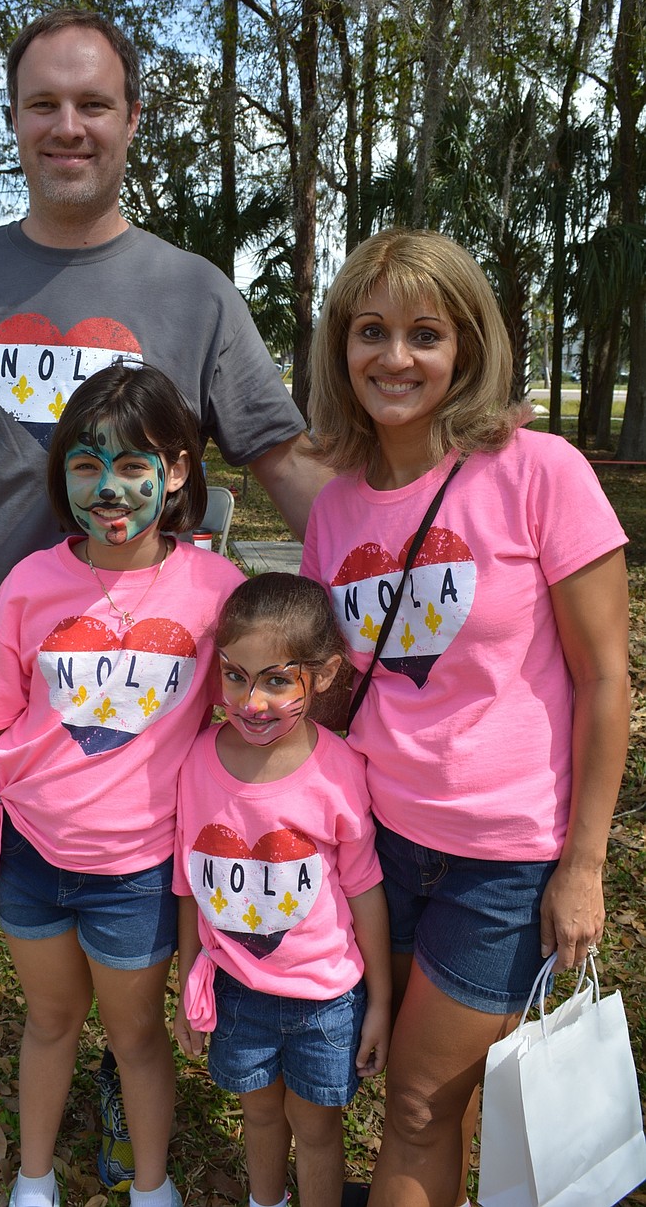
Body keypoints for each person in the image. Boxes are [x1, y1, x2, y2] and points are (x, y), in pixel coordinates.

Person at [0, 8, 330, 1207]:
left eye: (93, 103)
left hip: (159, 680)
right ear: (15, 122)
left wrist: (381, 546)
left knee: (137, 886)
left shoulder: (192, 293)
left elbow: (276, 450)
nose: (69, 126)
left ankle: (113, 1070)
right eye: (44, 104)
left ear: (132, 120)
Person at [300, 227, 630, 1207]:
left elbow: (607, 680)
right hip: (378, 842)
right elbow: (340, 688)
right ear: (338, 347)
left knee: (412, 1103)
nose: (394, 358)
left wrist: (581, 865)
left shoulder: (540, 471)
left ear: (467, 347)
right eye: (370, 331)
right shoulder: (335, 510)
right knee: (431, 1098)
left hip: (504, 857)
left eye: (423, 334)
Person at [0, 363, 244, 1207]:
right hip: (34, 860)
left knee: (136, 1034)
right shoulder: (30, 585)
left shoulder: (215, 592)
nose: (110, 489)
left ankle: (153, 1187)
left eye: (133, 465)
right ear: (64, 474)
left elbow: (254, 714)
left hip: (140, 874)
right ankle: (33, 1179)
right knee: (50, 1023)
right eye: (87, 465)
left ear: (178, 471)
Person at [173, 573, 392, 1207]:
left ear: (322, 675)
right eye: (236, 675)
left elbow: (365, 890)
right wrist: (192, 981)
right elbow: (189, 887)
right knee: (261, 1119)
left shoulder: (340, 771)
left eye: (276, 680)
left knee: (317, 1132)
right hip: (237, 992)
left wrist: (378, 1002)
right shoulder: (195, 763)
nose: (251, 701)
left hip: (326, 1001)